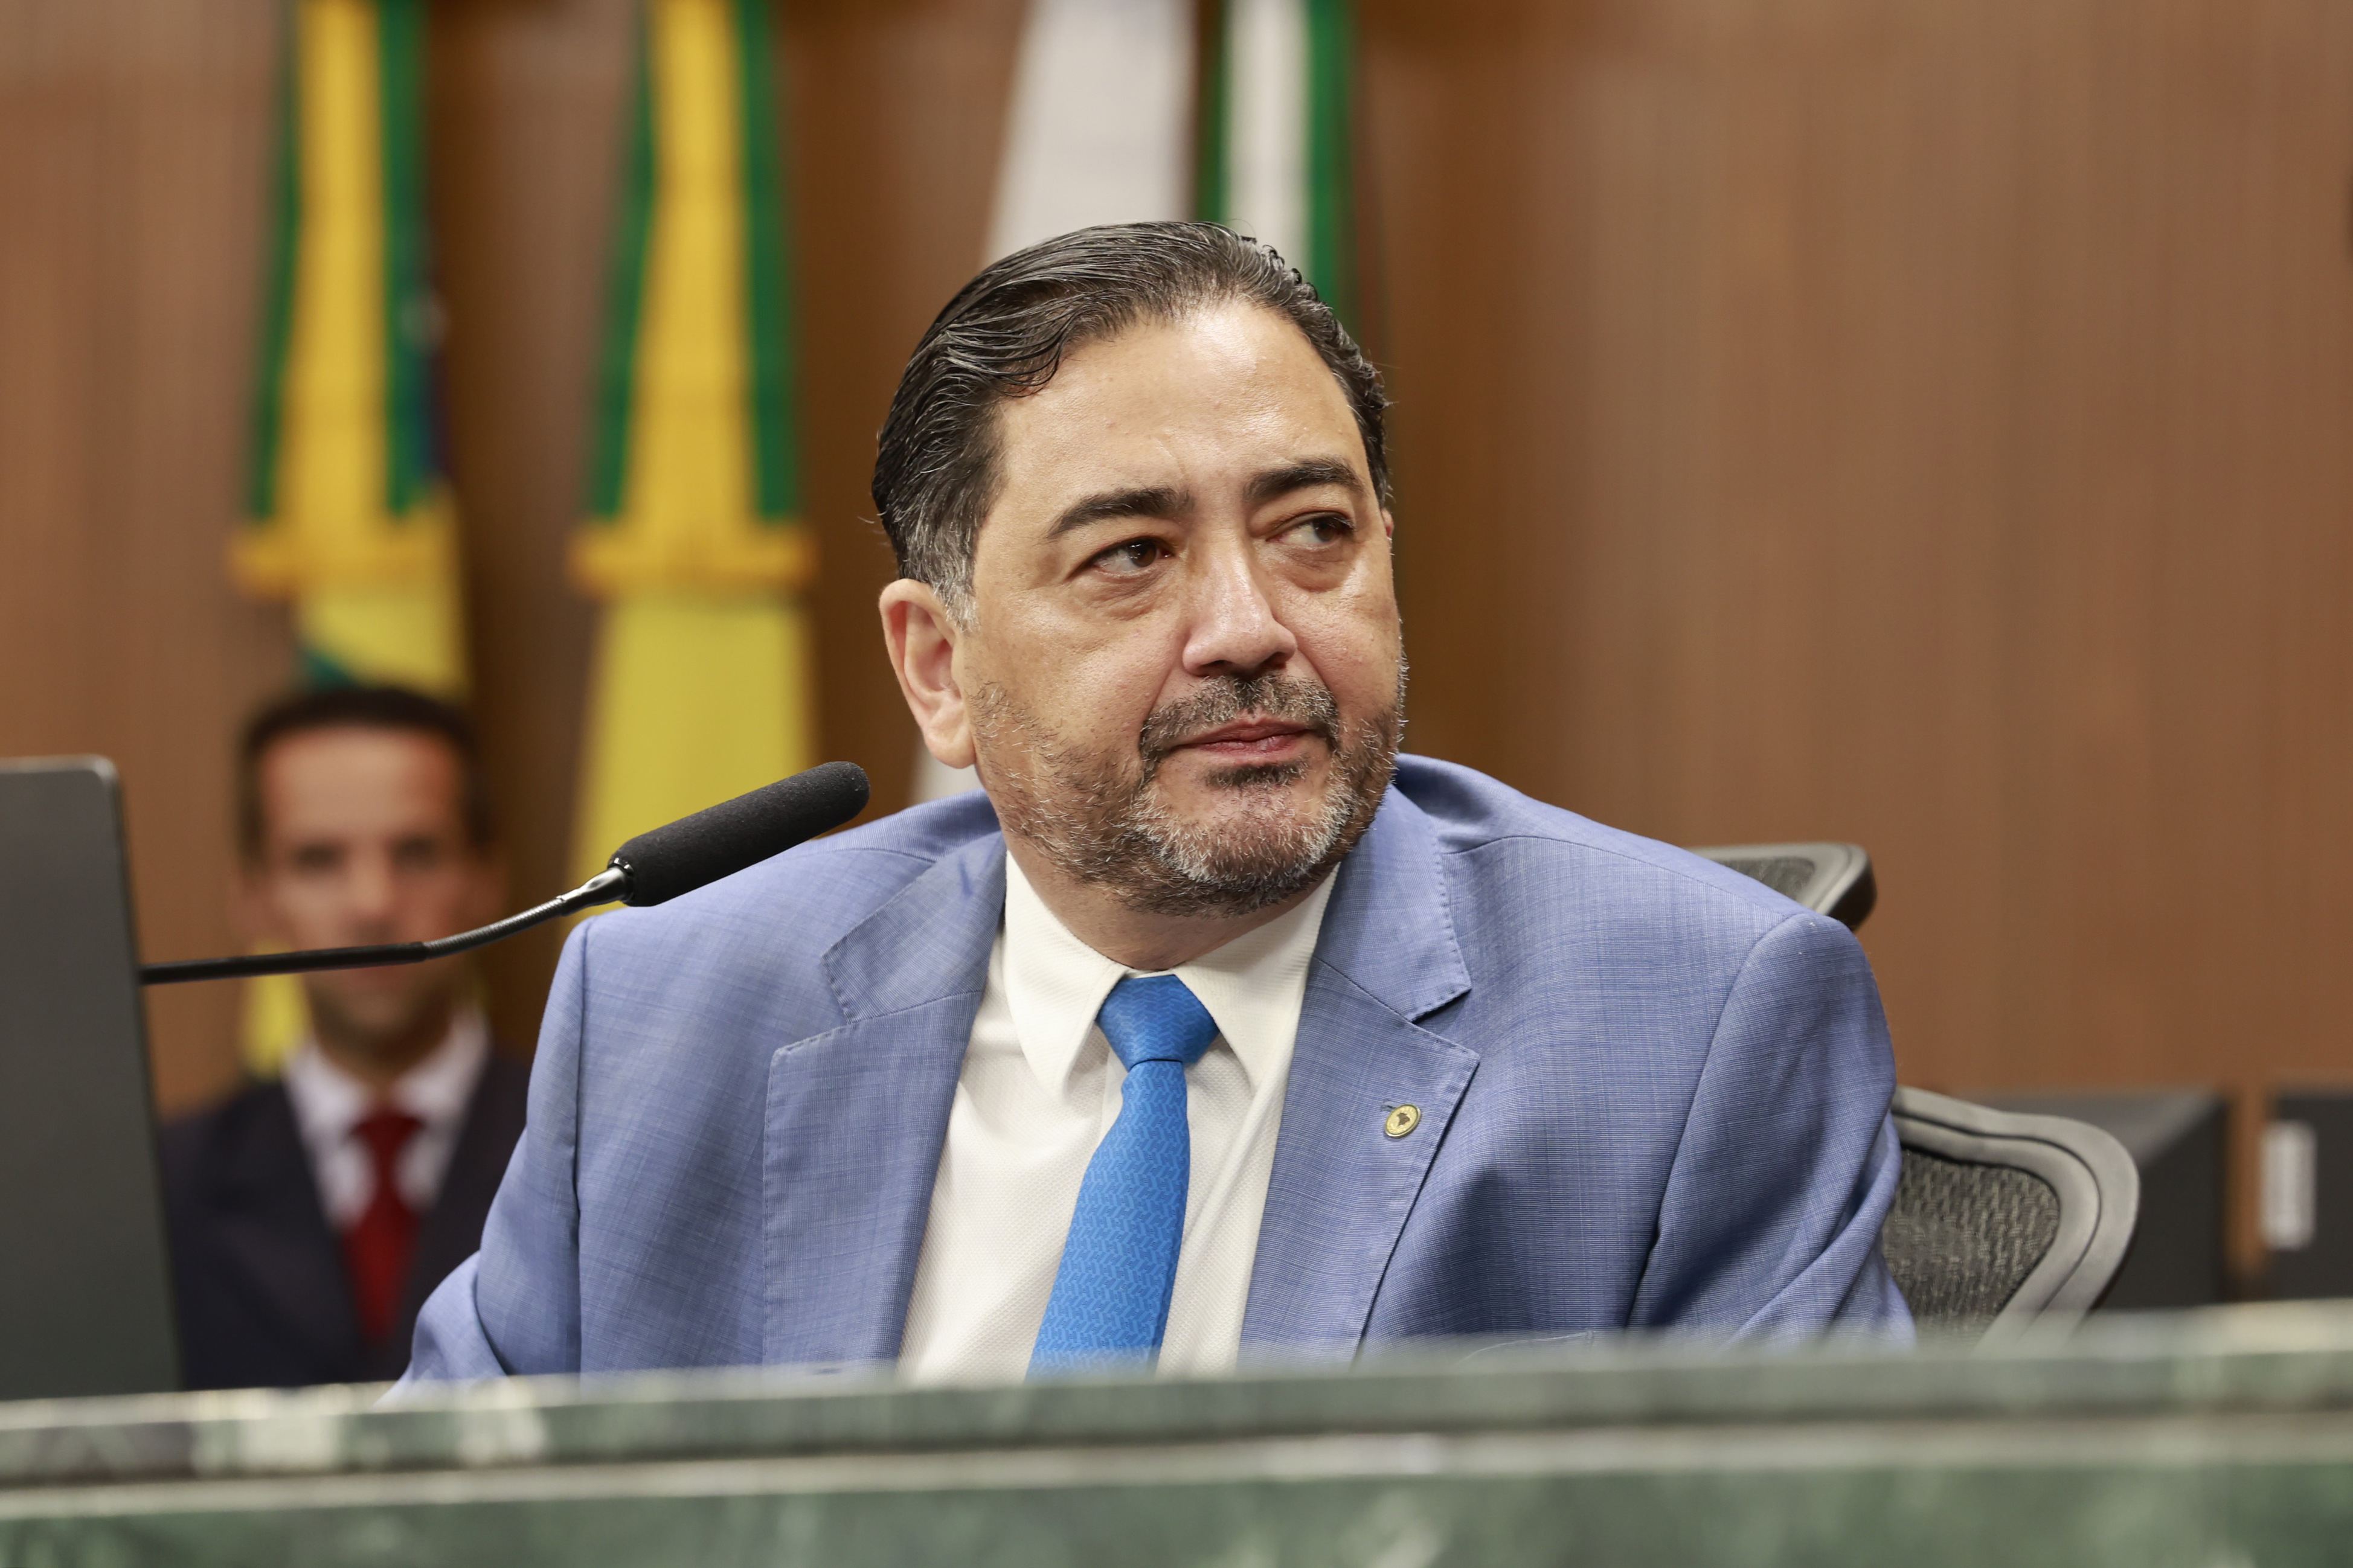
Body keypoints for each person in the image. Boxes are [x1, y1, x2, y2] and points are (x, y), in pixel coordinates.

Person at [406, 222, 1909, 1387]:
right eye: (1131, 555)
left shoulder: (1696, 1021)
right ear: (938, 668)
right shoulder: (671, 1015)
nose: (1249, 627)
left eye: (1312, 531)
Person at [161, 686, 530, 1389]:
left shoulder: (586, 1164)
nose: (372, 903)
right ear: (252, 896)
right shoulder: (157, 1192)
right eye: (319, 859)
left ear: (486, 879)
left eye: (416, 852)